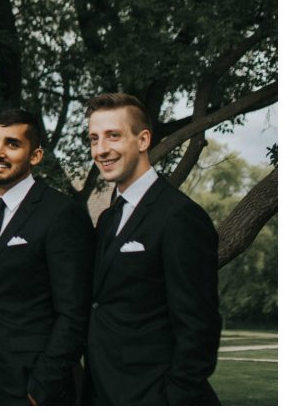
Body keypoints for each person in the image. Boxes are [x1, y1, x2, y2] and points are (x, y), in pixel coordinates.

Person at [85, 93, 221, 404]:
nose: (101, 149)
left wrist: (173, 399)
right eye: (94, 139)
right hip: (103, 392)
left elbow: (199, 327)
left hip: (153, 395)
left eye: (113, 136)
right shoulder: (109, 219)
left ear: (143, 139)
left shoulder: (180, 217)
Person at [0, 109, 93, 406]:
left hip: (34, 388)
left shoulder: (61, 214)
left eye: (12, 144)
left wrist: (41, 387)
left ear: (35, 156)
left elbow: (74, 314)